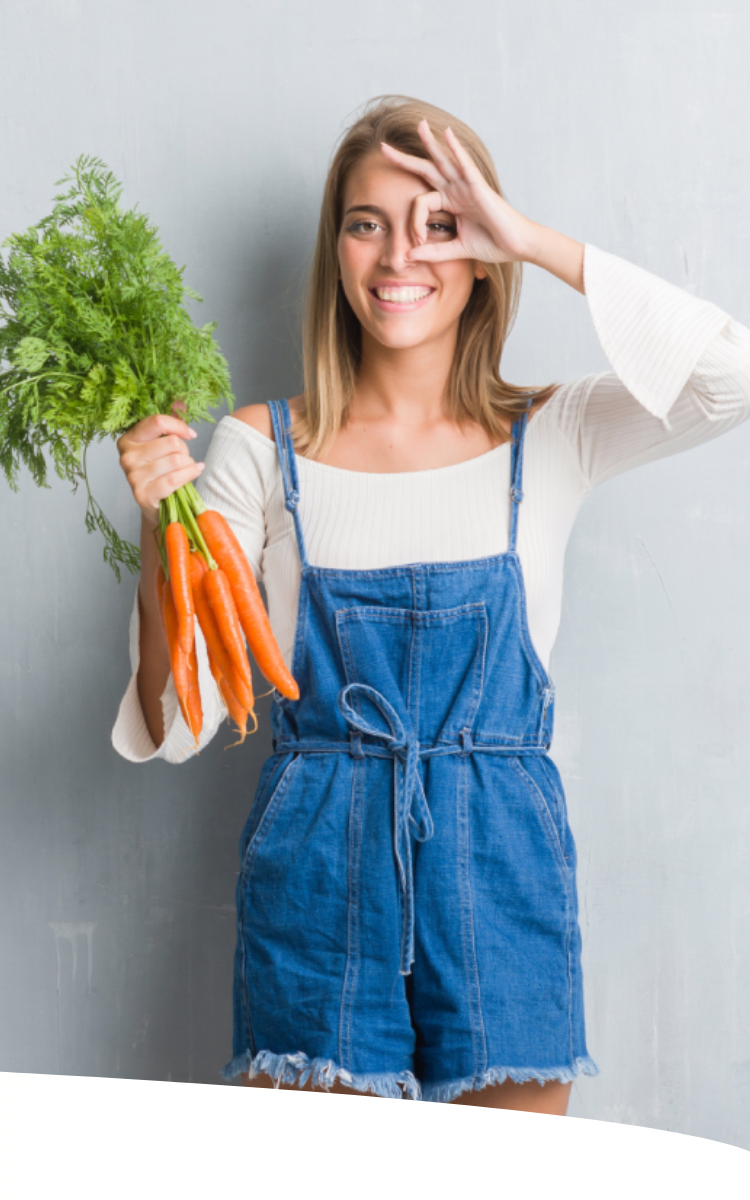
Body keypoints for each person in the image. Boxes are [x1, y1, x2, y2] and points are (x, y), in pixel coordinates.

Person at [113, 95, 750, 1115]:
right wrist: (160, 522)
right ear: (337, 250)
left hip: (502, 863)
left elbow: (732, 375)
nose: (399, 254)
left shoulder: (555, 433)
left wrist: (532, 239)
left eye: (439, 225)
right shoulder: (255, 449)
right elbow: (181, 717)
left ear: (483, 250)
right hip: (319, 865)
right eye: (368, 223)